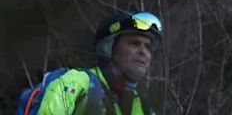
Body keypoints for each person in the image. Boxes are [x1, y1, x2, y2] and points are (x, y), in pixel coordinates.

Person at [17, 11, 161, 114]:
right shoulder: (78, 83)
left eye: (148, 47)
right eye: (134, 43)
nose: (143, 52)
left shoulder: (141, 106)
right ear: (108, 49)